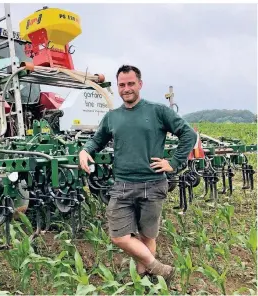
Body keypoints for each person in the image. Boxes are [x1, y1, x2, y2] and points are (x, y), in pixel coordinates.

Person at [79, 65, 197, 283]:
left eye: (131, 83)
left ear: (140, 84)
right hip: (122, 185)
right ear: (118, 87)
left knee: (147, 235)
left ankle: (143, 278)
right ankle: (158, 268)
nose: (126, 89)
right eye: (122, 85)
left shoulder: (157, 111)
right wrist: (86, 150)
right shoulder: (112, 117)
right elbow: (97, 140)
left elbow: (188, 134)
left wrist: (173, 162)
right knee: (119, 236)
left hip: (153, 184)